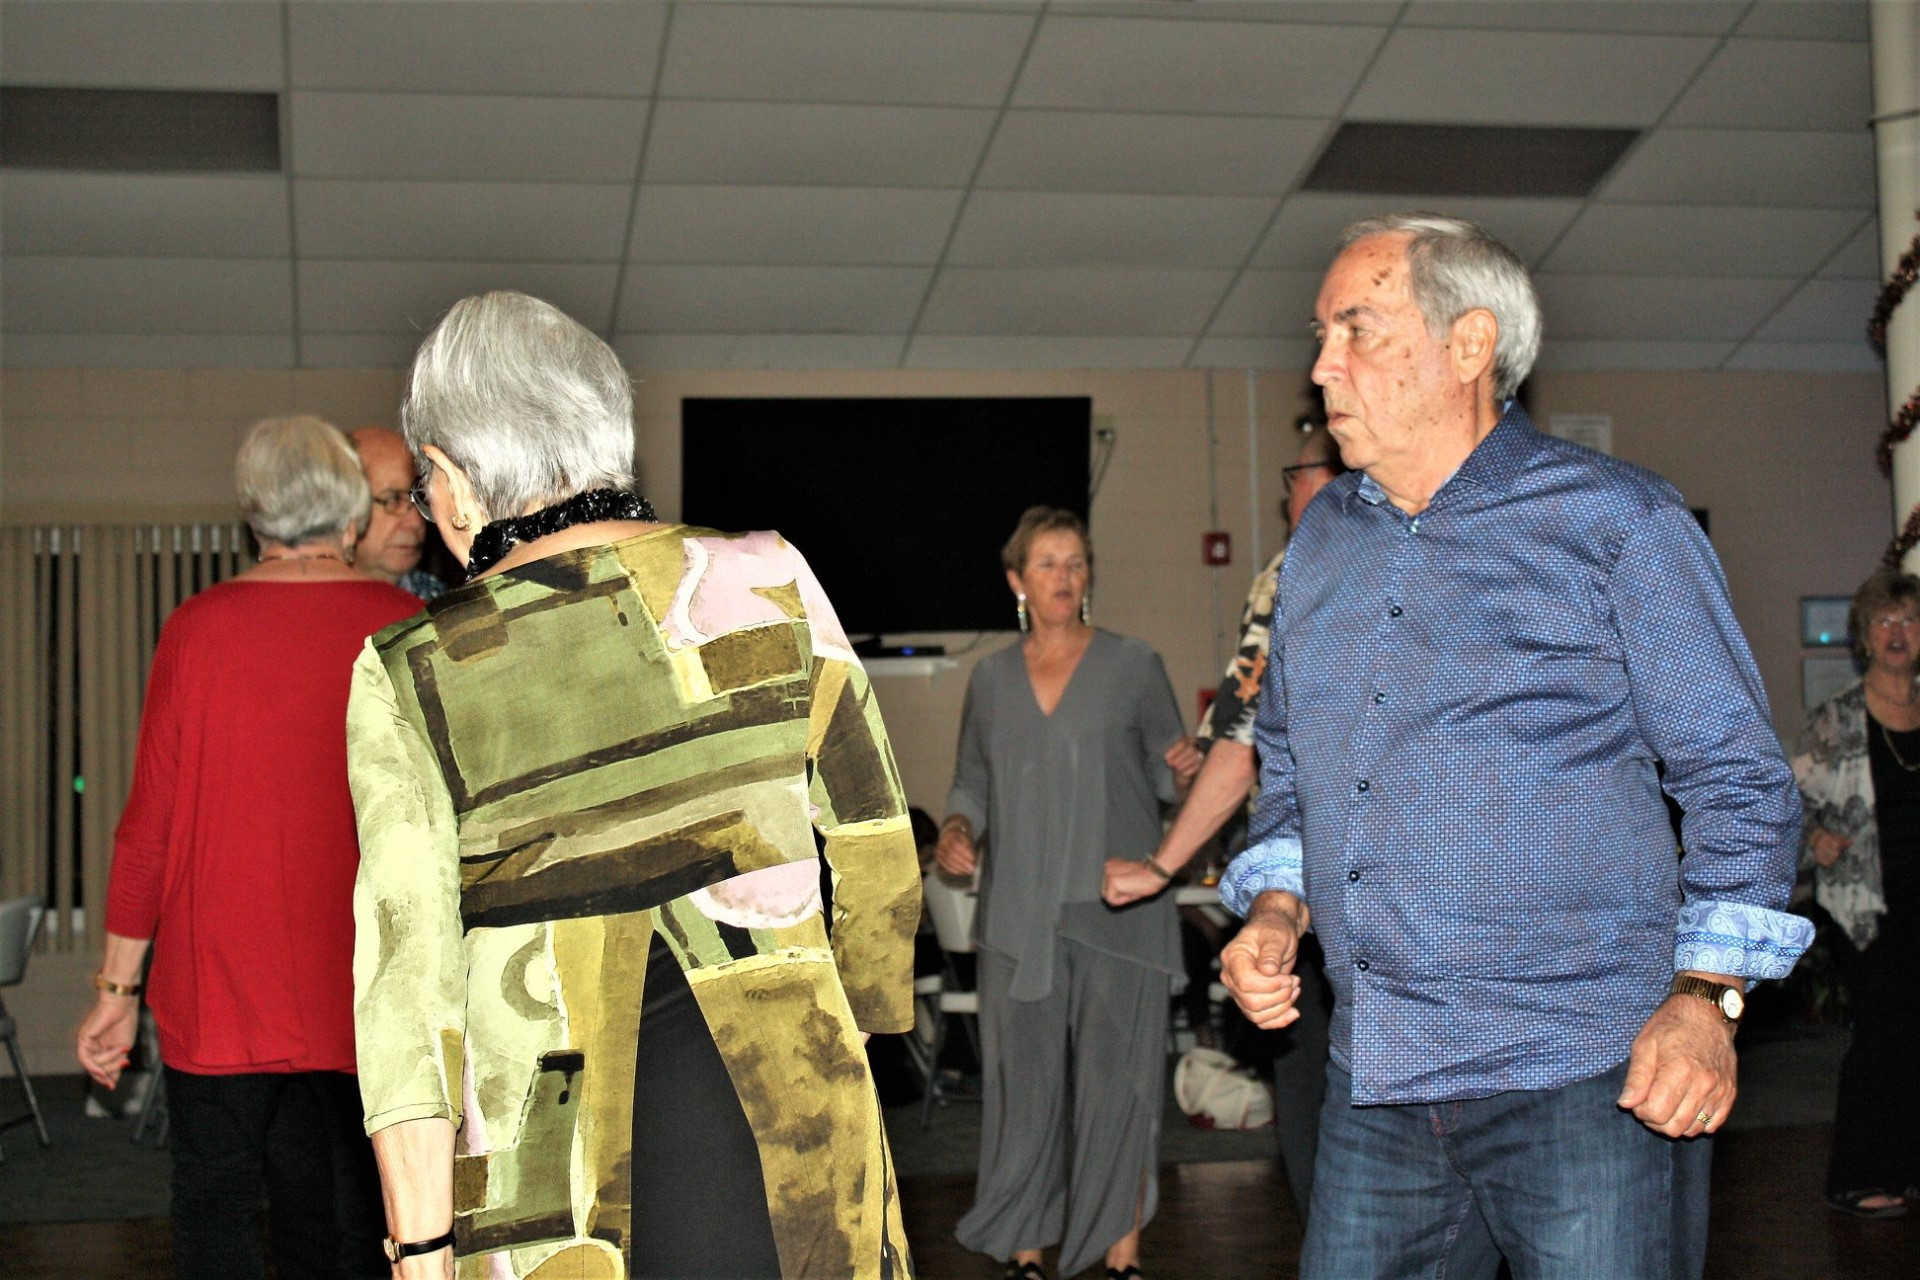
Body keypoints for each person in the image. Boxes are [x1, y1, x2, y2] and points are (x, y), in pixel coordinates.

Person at [1218, 214, 1811, 1280]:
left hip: (1585, 1077)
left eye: (1357, 329)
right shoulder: (1320, 546)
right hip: (1378, 1084)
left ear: (1470, 344)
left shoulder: (1618, 521)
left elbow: (1738, 778)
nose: (1322, 366)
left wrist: (1708, 999)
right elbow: (1291, 771)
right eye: (1321, 335)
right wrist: (1274, 908)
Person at [345, 291, 921, 1280]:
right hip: (794, 1123)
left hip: (549, 1175)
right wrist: (858, 1025)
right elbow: (874, 832)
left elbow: (407, 980)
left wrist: (424, 1239)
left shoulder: (410, 670)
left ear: (457, 482)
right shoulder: (769, 576)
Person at [75, 415, 419, 1280]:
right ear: (351, 513)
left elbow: (148, 827)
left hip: (221, 990)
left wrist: (117, 991)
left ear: (255, 513)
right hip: (364, 988)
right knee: (364, 1213)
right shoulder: (403, 625)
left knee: (217, 1206)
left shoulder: (198, 628)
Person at [936, 506, 1198, 1280]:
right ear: (1017, 580)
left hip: (1119, 909)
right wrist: (957, 828)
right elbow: (971, 783)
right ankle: (1024, 1251)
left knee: (1121, 1089)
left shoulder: (1134, 664)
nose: (1065, 576)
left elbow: (1170, 780)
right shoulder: (990, 679)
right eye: (1048, 563)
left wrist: (1187, 774)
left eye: (1077, 562)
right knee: (1024, 1092)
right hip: (1019, 915)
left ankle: (1123, 1255)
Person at [1103, 424, 1350, 1222]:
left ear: (1332, 473)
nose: (1287, 494)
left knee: (1322, 1101)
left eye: (1295, 473)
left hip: (1322, 880)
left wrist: (1162, 863)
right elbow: (1238, 735)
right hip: (1380, 883)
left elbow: (1246, 748)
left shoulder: (1299, 569)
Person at [1793, 567, 1920, 1217]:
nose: (1898, 633)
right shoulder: (1838, 718)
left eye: (1909, 620)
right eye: (1884, 622)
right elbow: (1785, 803)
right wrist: (1814, 835)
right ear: (1864, 636)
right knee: (1885, 1031)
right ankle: (1863, 1174)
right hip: (1864, 903)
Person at [347, 425, 445, 601]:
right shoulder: (313, 603)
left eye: (420, 498)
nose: (416, 521)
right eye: (393, 500)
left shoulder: (439, 602)